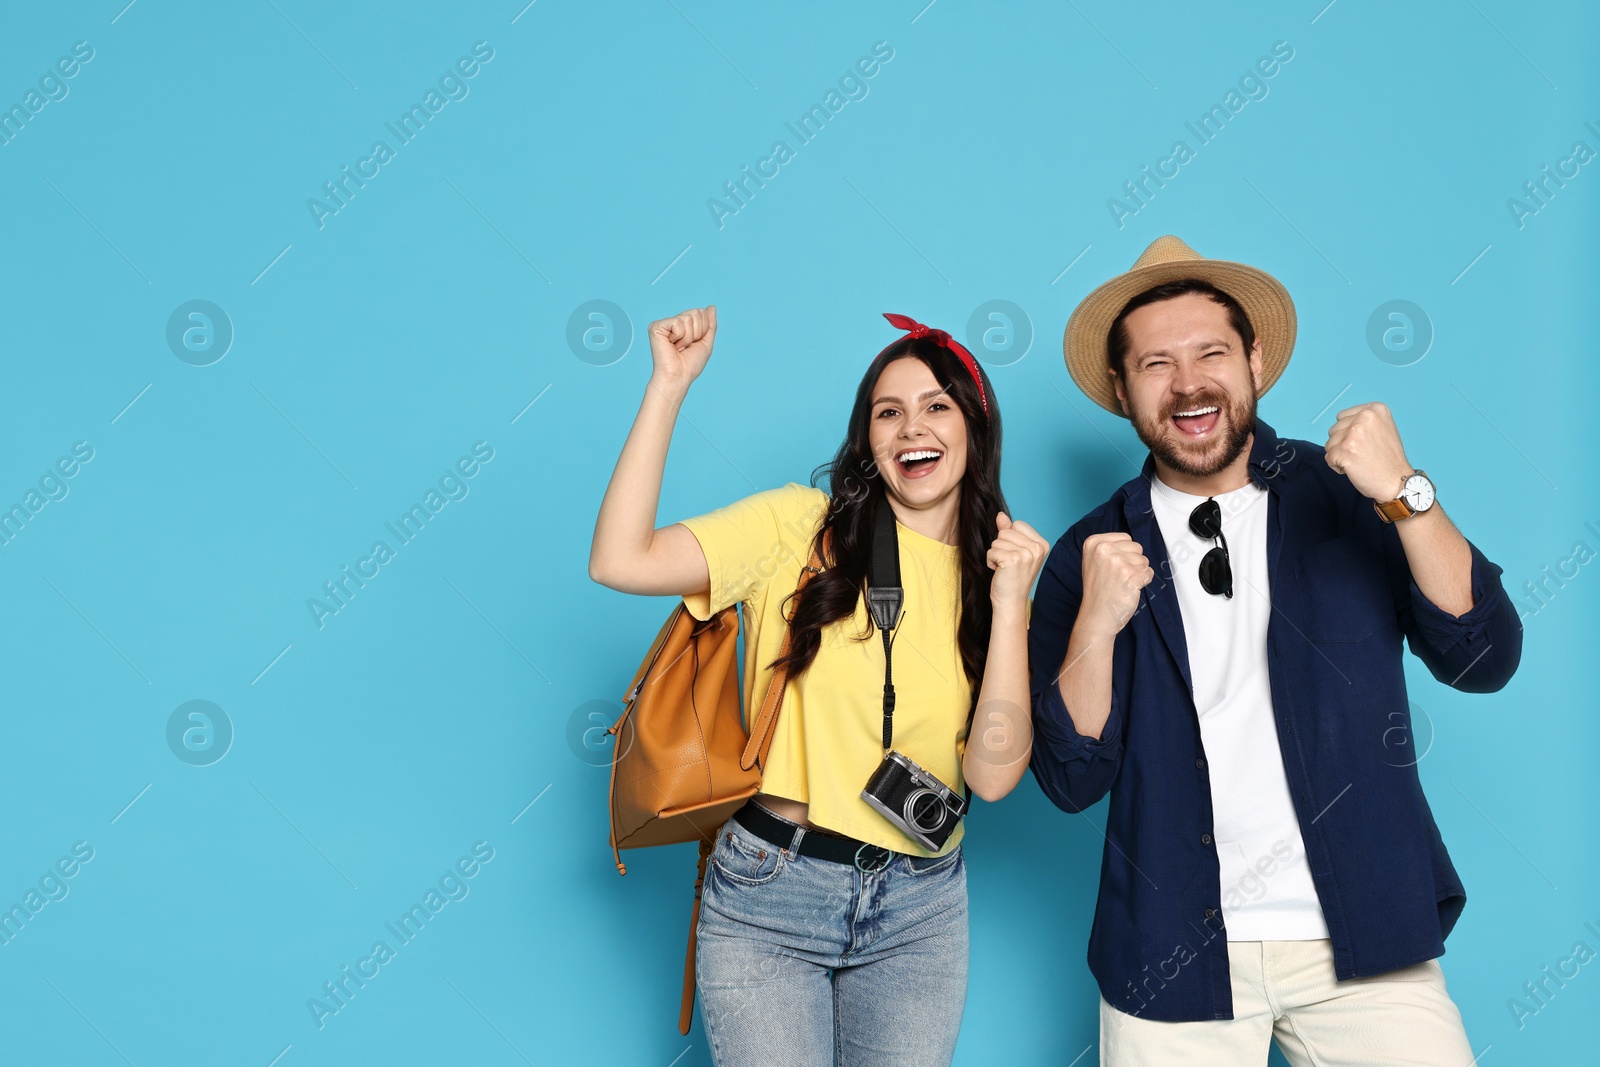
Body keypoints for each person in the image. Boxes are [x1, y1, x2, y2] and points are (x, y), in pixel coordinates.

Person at [1027, 236, 1522, 1066]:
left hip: (1366, 931)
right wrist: (1096, 623)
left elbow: (1483, 656)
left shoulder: (1350, 494)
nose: (1188, 383)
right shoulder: (1090, 552)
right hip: (1171, 955)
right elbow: (1070, 777)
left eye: (1211, 352)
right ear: (1121, 389)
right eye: (1156, 363)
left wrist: (1406, 492)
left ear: (1254, 359)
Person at [589, 305, 1048, 1067]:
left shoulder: (1000, 583)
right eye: (888, 412)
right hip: (773, 889)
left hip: (922, 906)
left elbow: (994, 779)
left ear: (975, 428)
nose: (912, 429)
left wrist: (1007, 607)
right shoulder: (800, 530)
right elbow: (619, 559)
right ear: (867, 438)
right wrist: (668, 386)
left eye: (937, 406)